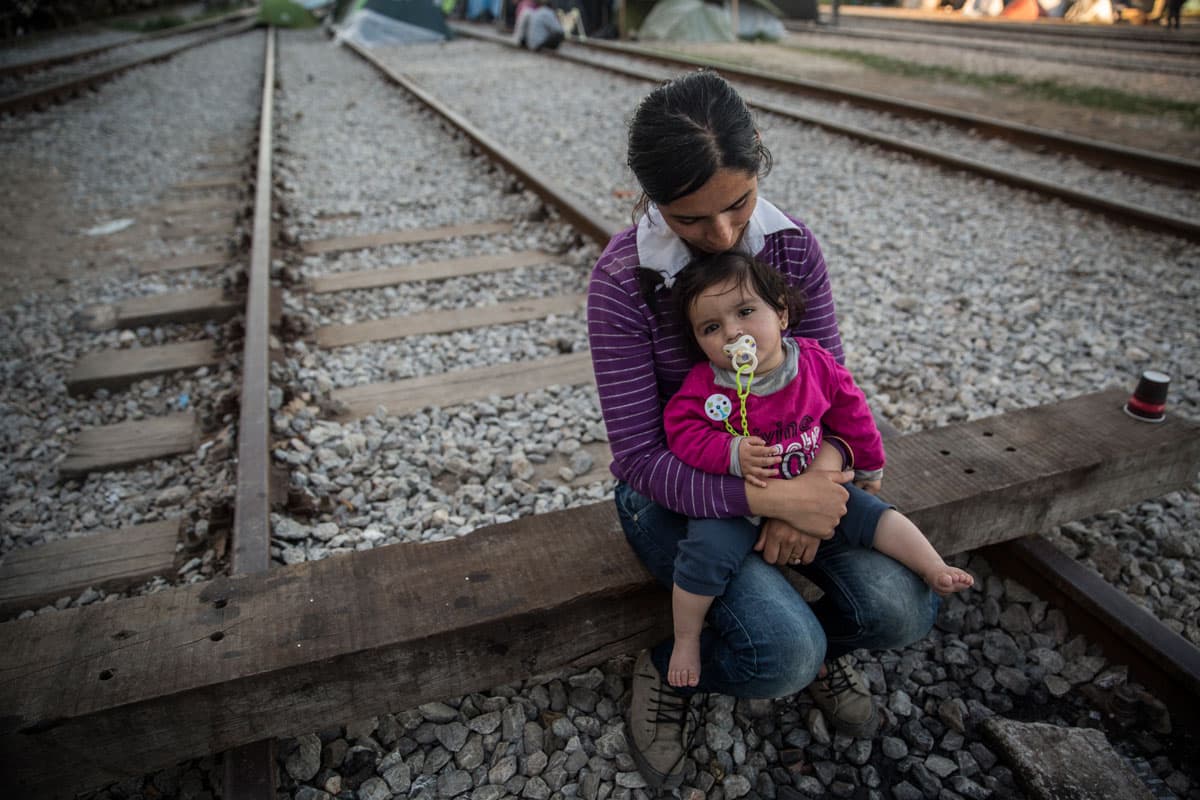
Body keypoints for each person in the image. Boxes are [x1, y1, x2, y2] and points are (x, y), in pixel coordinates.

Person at [585, 70, 941, 790]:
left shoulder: (793, 248)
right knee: (781, 655)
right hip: (676, 492)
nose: (721, 234)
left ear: (760, 170)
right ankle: (667, 670)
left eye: (738, 204)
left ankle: (818, 634)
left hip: (802, 469)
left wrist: (821, 477)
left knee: (901, 608)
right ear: (649, 197)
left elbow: (832, 387)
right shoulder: (620, 284)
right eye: (690, 219)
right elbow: (639, 459)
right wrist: (770, 502)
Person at [659, 252, 974, 689]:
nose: (733, 333)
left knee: (876, 515)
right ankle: (687, 638)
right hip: (739, 502)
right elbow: (682, 432)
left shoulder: (813, 363)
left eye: (746, 312)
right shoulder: (707, 385)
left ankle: (932, 565)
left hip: (813, 482)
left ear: (782, 314)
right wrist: (729, 452)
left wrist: (869, 461)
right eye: (712, 328)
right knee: (704, 554)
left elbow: (852, 411)